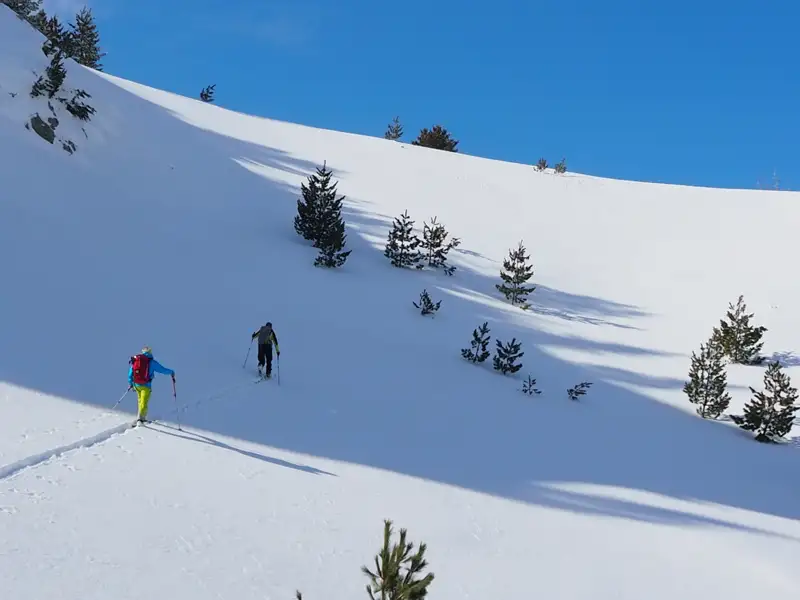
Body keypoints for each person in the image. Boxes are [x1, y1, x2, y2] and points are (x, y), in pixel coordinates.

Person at [128, 346, 175, 423]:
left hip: (136, 385)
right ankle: (141, 418)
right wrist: (171, 372)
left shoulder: (136, 361)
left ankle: (140, 416)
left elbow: (130, 373)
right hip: (146, 385)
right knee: (144, 401)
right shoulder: (152, 362)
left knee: (140, 400)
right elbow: (162, 370)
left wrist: (130, 383)